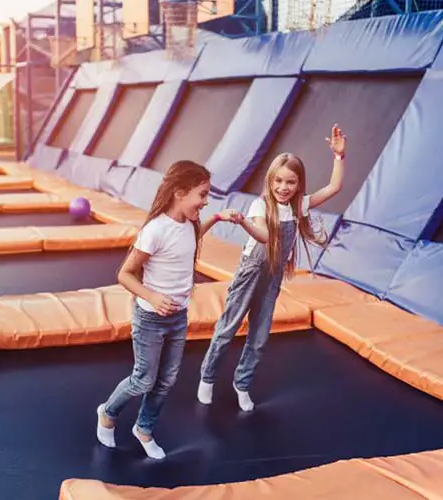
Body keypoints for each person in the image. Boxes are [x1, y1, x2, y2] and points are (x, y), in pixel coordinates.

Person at [197, 124, 347, 412]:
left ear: (298, 184)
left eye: (290, 182)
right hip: (250, 272)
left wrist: (339, 156)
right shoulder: (260, 207)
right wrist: (243, 222)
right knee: (228, 327)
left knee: (260, 336)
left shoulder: (298, 206)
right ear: (270, 181)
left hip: (273, 275)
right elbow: (266, 237)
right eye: (278, 181)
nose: (283, 187)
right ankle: (207, 377)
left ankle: (242, 383)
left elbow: (334, 187)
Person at [95, 160, 238, 459]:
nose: (206, 200)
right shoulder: (155, 230)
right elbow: (124, 274)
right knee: (143, 379)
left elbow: (190, 239)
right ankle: (107, 413)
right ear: (179, 193)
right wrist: (153, 296)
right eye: (202, 194)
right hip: (150, 318)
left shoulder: (190, 225)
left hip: (178, 317)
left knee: (167, 380)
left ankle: (144, 429)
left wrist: (217, 218)